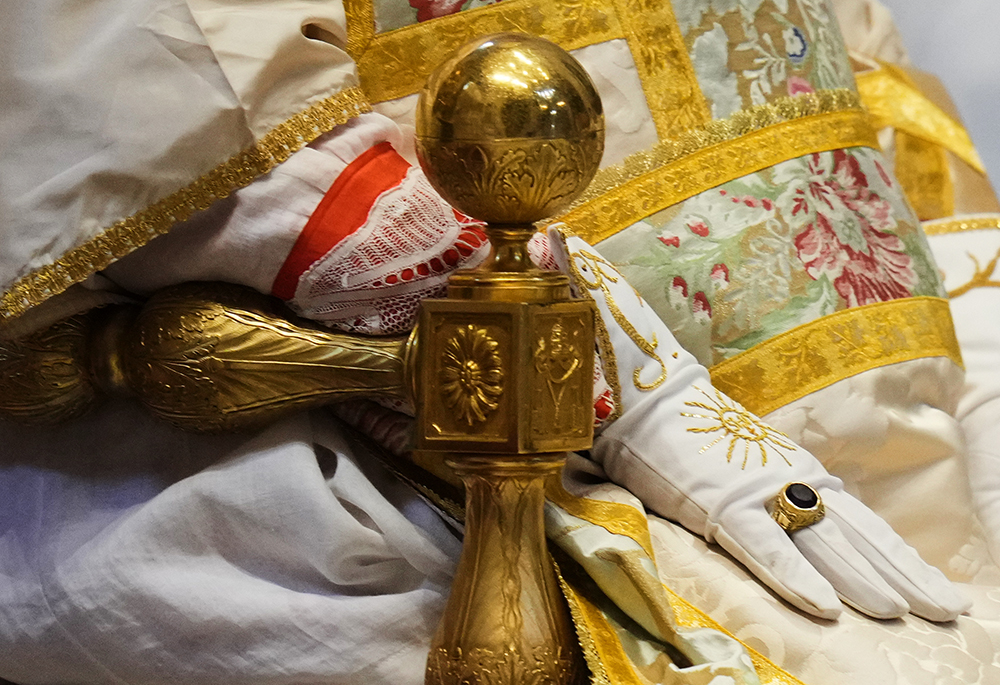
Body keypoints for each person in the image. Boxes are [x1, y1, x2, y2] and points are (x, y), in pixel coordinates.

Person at [0, 1, 997, 683]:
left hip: (894, 411)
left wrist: (974, 342)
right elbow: (166, 81)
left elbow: (847, 78)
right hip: (403, 444)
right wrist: (621, 383)